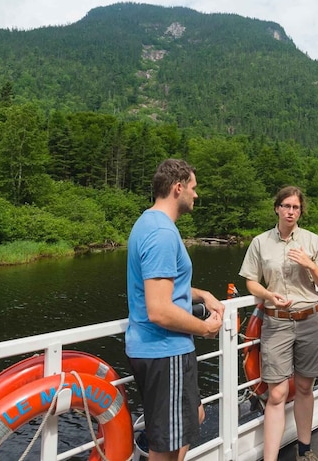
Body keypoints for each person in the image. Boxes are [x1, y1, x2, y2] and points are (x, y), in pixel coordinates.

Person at [126, 159, 224, 461]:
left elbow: (164, 286)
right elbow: (159, 310)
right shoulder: (161, 234)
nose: (196, 195)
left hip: (165, 352)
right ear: (177, 187)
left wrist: (202, 294)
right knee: (165, 449)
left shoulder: (150, 223)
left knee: (194, 417)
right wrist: (206, 328)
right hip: (163, 351)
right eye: (193, 188)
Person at [239, 186, 318, 461]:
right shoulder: (260, 243)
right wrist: (268, 295)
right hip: (276, 322)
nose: (291, 211)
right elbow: (250, 281)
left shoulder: (313, 241)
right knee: (277, 392)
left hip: (310, 320)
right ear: (277, 208)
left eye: (296, 207)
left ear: (300, 211)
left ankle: (304, 449)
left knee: (305, 386)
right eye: (286, 206)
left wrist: (310, 264)